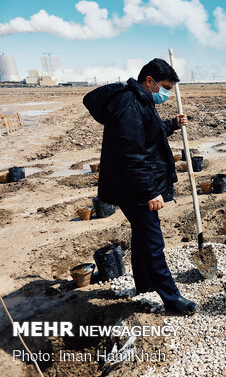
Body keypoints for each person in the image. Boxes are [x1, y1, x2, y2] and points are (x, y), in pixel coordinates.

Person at [83, 58, 197, 315]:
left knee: (143, 234)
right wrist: (150, 192)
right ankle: (172, 298)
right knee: (154, 242)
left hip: (130, 184)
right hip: (132, 188)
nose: (165, 93)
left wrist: (173, 125)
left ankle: (144, 285)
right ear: (149, 81)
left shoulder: (139, 100)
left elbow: (149, 133)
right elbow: (133, 155)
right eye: (164, 87)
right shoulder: (129, 105)